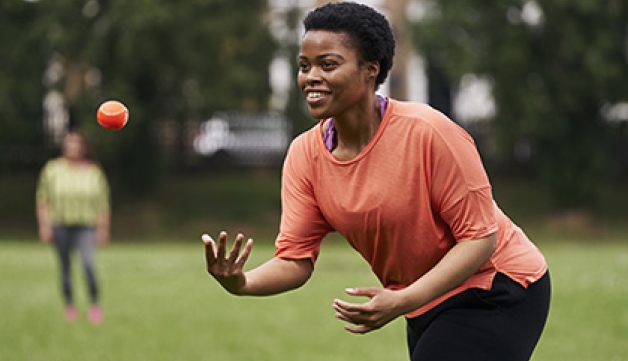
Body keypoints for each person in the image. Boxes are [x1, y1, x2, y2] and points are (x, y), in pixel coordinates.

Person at [201, 2, 550, 360]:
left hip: (498, 286)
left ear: (371, 69)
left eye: (328, 65)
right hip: (423, 302)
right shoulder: (304, 156)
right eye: (304, 66)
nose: (311, 77)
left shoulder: (429, 132)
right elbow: (295, 260)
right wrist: (241, 284)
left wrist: (403, 299)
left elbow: (480, 239)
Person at [36, 130, 110, 324]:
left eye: (76, 144)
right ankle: (70, 305)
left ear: (83, 148)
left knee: (88, 264)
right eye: (69, 144)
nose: (73, 148)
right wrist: (44, 226)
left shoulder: (94, 172)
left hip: (85, 226)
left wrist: (103, 228)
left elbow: (103, 203)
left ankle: (94, 303)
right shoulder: (52, 170)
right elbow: (43, 200)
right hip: (60, 224)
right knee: (65, 267)